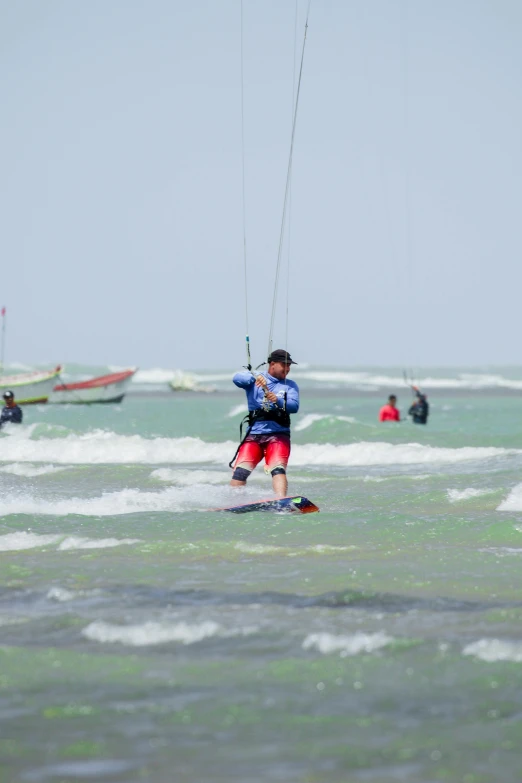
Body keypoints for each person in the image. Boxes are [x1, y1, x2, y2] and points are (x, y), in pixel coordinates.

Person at [230, 349, 299, 497]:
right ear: (272, 364)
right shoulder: (256, 380)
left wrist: (278, 400)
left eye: (289, 366)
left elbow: (294, 407)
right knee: (240, 472)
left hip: (278, 435)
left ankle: (281, 500)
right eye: (284, 365)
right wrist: (253, 377)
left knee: (278, 469)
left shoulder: (290, 385)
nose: (287, 369)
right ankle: (233, 501)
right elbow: (237, 379)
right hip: (254, 435)